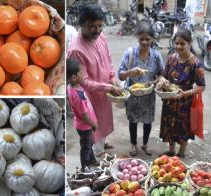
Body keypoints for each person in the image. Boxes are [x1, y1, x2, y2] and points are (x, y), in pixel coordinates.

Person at [67, 4, 124, 158]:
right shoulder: (76, 50)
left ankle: (101, 143)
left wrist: (112, 78)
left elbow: (108, 59)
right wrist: (108, 87)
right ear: (82, 24)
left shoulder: (101, 37)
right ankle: (98, 152)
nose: (98, 30)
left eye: (100, 26)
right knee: (94, 125)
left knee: (104, 122)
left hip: (104, 92)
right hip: (90, 98)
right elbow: (83, 82)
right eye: (92, 26)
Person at [118, 20, 165, 156]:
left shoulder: (156, 55)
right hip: (132, 95)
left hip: (149, 96)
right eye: (141, 39)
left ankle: (145, 144)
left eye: (147, 39)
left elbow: (162, 73)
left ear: (152, 39)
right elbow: (121, 75)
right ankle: (133, 145)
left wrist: (160, 79)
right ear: (137, 37)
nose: (144, 42)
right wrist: (130, 72)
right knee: (132, 121)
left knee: (147, 121)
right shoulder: (130, 53)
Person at [157, 28, 205, 157]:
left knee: (183, 128)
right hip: (170, 100)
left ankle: (181, 153)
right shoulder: (171, 58)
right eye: (176, 43)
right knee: (170, 126)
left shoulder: (195, 63)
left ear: (190, 44)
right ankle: (171, 151)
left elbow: (201, 86)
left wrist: (185, 93)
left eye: (182, 43)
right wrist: (163, 81)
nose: (178, 46)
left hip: (185, 102)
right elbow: (163, 76)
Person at [67, 58, 98, 168]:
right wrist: (93, 124)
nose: (83, 74)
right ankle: (85, 168)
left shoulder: (70, 86)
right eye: (80, 72)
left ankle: (92, 160)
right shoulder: (78, 96)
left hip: (82, 124)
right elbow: (85, 116)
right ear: (74, 77)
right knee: (85, 147)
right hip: (85, 126)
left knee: (89, 144)